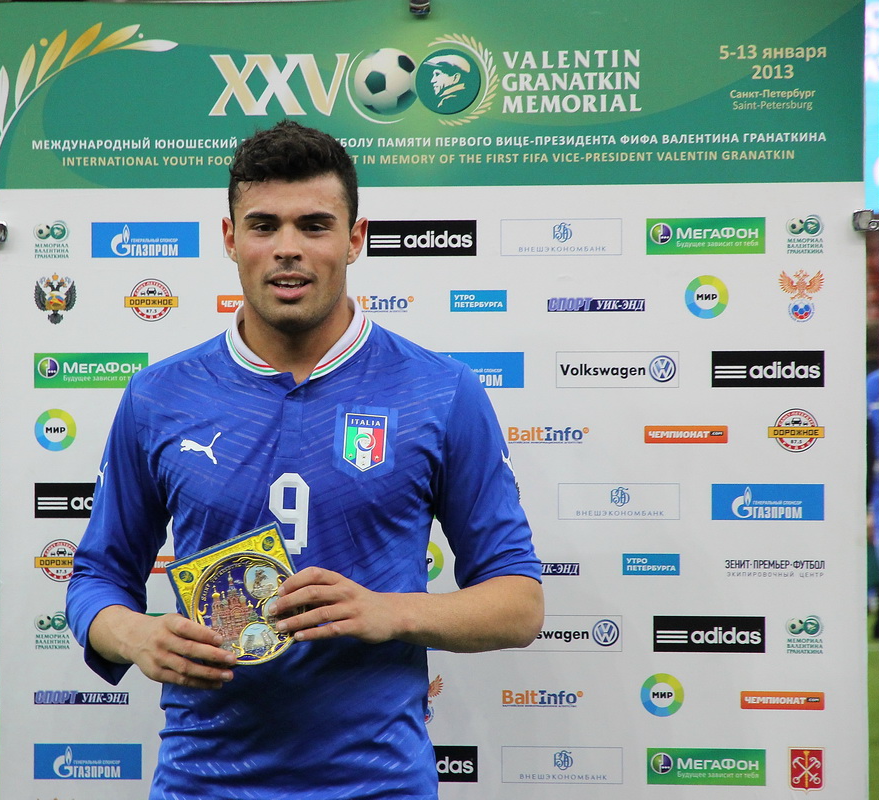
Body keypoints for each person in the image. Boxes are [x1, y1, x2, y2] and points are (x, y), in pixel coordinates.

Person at [65, 120, 543, 799]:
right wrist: (136, 635)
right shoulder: (159, 396)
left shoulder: (441, 392)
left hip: (378, 785)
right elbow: (96, 579)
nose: (287, 248)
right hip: (204, 783)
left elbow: (519, 603)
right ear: (230, 238)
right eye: (264, 226)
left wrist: (392, 612)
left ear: (355, 238)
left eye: (314, 226)